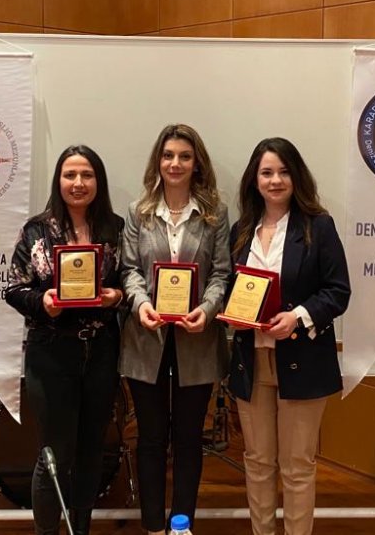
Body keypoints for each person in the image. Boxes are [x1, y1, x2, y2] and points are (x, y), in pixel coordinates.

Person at [226, 138, 350, 535]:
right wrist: (233, 316)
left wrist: (297, 317)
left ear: (296, 177)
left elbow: (338, 292)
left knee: (297, 466)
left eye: (283, 172)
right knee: (258, 461)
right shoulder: (241, 231)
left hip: (303, 360)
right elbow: (232, 289)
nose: (275, 180)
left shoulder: (318, 226)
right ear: (254, 180)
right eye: (266, 172)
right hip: (252, 360)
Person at [4, 145, 125, 535]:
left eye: (87, 175)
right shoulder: (37, 230)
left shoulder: (116, 228)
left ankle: (81, 529)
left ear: (98, 181)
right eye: (70, 175)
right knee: (53, 455)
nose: (78, 183)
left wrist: (116, 297)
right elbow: (13, 289)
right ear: (59, 181)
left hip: (101, 351)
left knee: (92, 450)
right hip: (51, 352)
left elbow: (130, 282)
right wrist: (43, 303)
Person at [119, 124, 231, 535]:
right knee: (150, 438)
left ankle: (181, 525)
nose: (175, 163)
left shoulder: (216, 213)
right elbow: (129, 270)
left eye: (185, 156)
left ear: (196, 162)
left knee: (188, 438)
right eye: (168, 155)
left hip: (196, 338)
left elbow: (222, 273)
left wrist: (207, 309)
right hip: (145, 337)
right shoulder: (138, 211)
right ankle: (153, 525)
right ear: (158, 161)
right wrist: (141, 304)